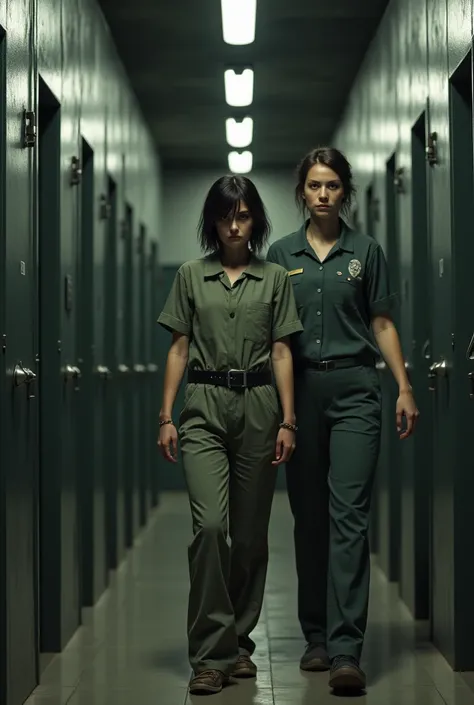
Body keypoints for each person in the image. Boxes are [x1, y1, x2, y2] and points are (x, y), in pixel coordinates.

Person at [266, 147, 419, 693]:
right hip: (299, 393)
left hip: (356, 389)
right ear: (302, 192)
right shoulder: (280, 254)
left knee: (349, 515)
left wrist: (402, 386)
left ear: (344, 191)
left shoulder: (366, 251)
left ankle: (347, 647)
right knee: (309, 518)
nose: (323, 194)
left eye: (332, 185)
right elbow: (275, 336)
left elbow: (381, 322)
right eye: (314, 185)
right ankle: (316, 637)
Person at [157, 175, 303, 696]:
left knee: (248, 534)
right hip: (202, 406)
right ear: (212, 223)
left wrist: (288, 419)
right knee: (211, 528)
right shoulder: (191, 276)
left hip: (261, 407)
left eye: (243, 216)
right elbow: (179, 346)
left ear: (256, 221)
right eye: (225, 217)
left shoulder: (275, 279)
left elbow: (283, 350)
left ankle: (240, 643)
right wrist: (166, 414)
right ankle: (209, 654)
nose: (234, 226)